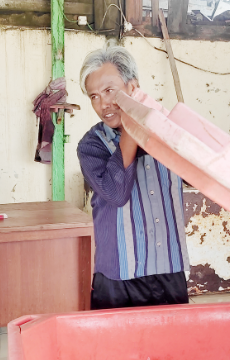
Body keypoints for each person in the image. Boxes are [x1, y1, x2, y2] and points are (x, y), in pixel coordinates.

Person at [77, 44, 190, 310]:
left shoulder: (166, 133)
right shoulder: (91, 146)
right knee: (115, 350)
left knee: (172, 348)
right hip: (118, 277)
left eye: (109, 91)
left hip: (167, 269)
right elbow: (116, 194)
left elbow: (201, 176)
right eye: (93, 96)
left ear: (133, 87)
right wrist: (132, 124)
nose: (103, 104)